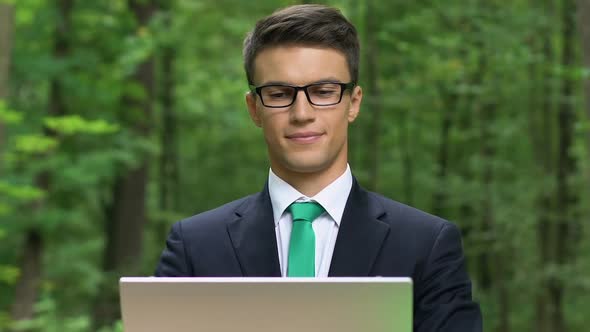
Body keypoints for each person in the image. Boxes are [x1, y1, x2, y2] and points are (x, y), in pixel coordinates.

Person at [155, 4, 482, 331]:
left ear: (353, 103)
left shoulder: (426, 245)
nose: (302, 113)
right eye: (279, 93)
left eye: (323, 92)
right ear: (254, 108)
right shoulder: (195, 247)